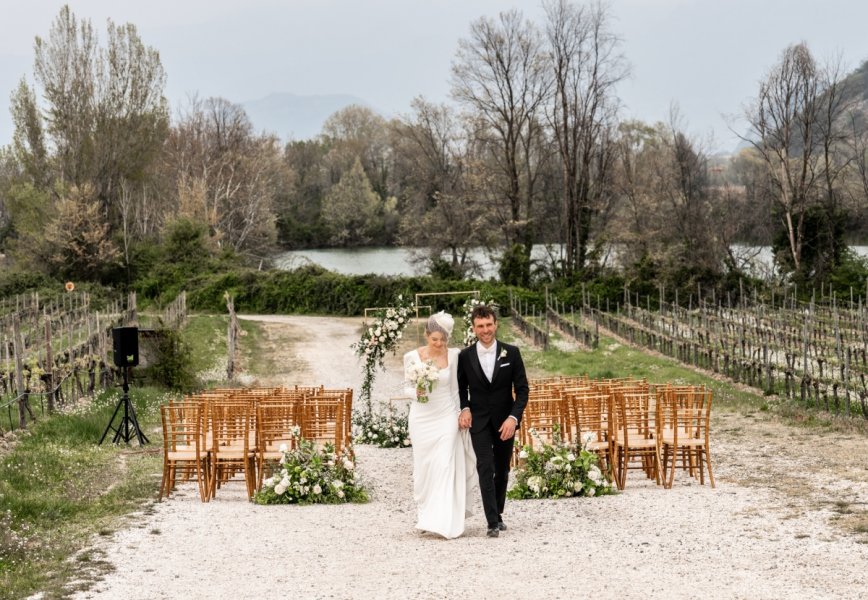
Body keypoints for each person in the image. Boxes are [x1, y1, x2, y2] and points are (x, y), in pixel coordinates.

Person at [457, 304, 529, 538]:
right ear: (474, 328)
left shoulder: (512, 352)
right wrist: (465, 408)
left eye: (489, 325)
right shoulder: (465, 356)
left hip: (504, 421)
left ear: (496, 324)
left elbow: (523, 390)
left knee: (502, 469)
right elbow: (460, 388)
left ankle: (498, 512)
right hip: (478, 421)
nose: (485, 330)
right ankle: (491, 522)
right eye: (480, 326)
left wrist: (513, 418)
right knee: (485, 467)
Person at [404, 311, 477, 539]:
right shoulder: (411, 357)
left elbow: (456, 390)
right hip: (421, 417)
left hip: (446, 415)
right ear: (426, 334)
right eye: (435, 339)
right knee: (425, 469)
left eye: (443, 340)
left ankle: (444, 521)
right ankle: (426, 516)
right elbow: (405, 387)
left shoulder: (454, 356)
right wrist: (417, 392)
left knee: (444, 465)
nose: (439, 343)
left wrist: (461, 413)